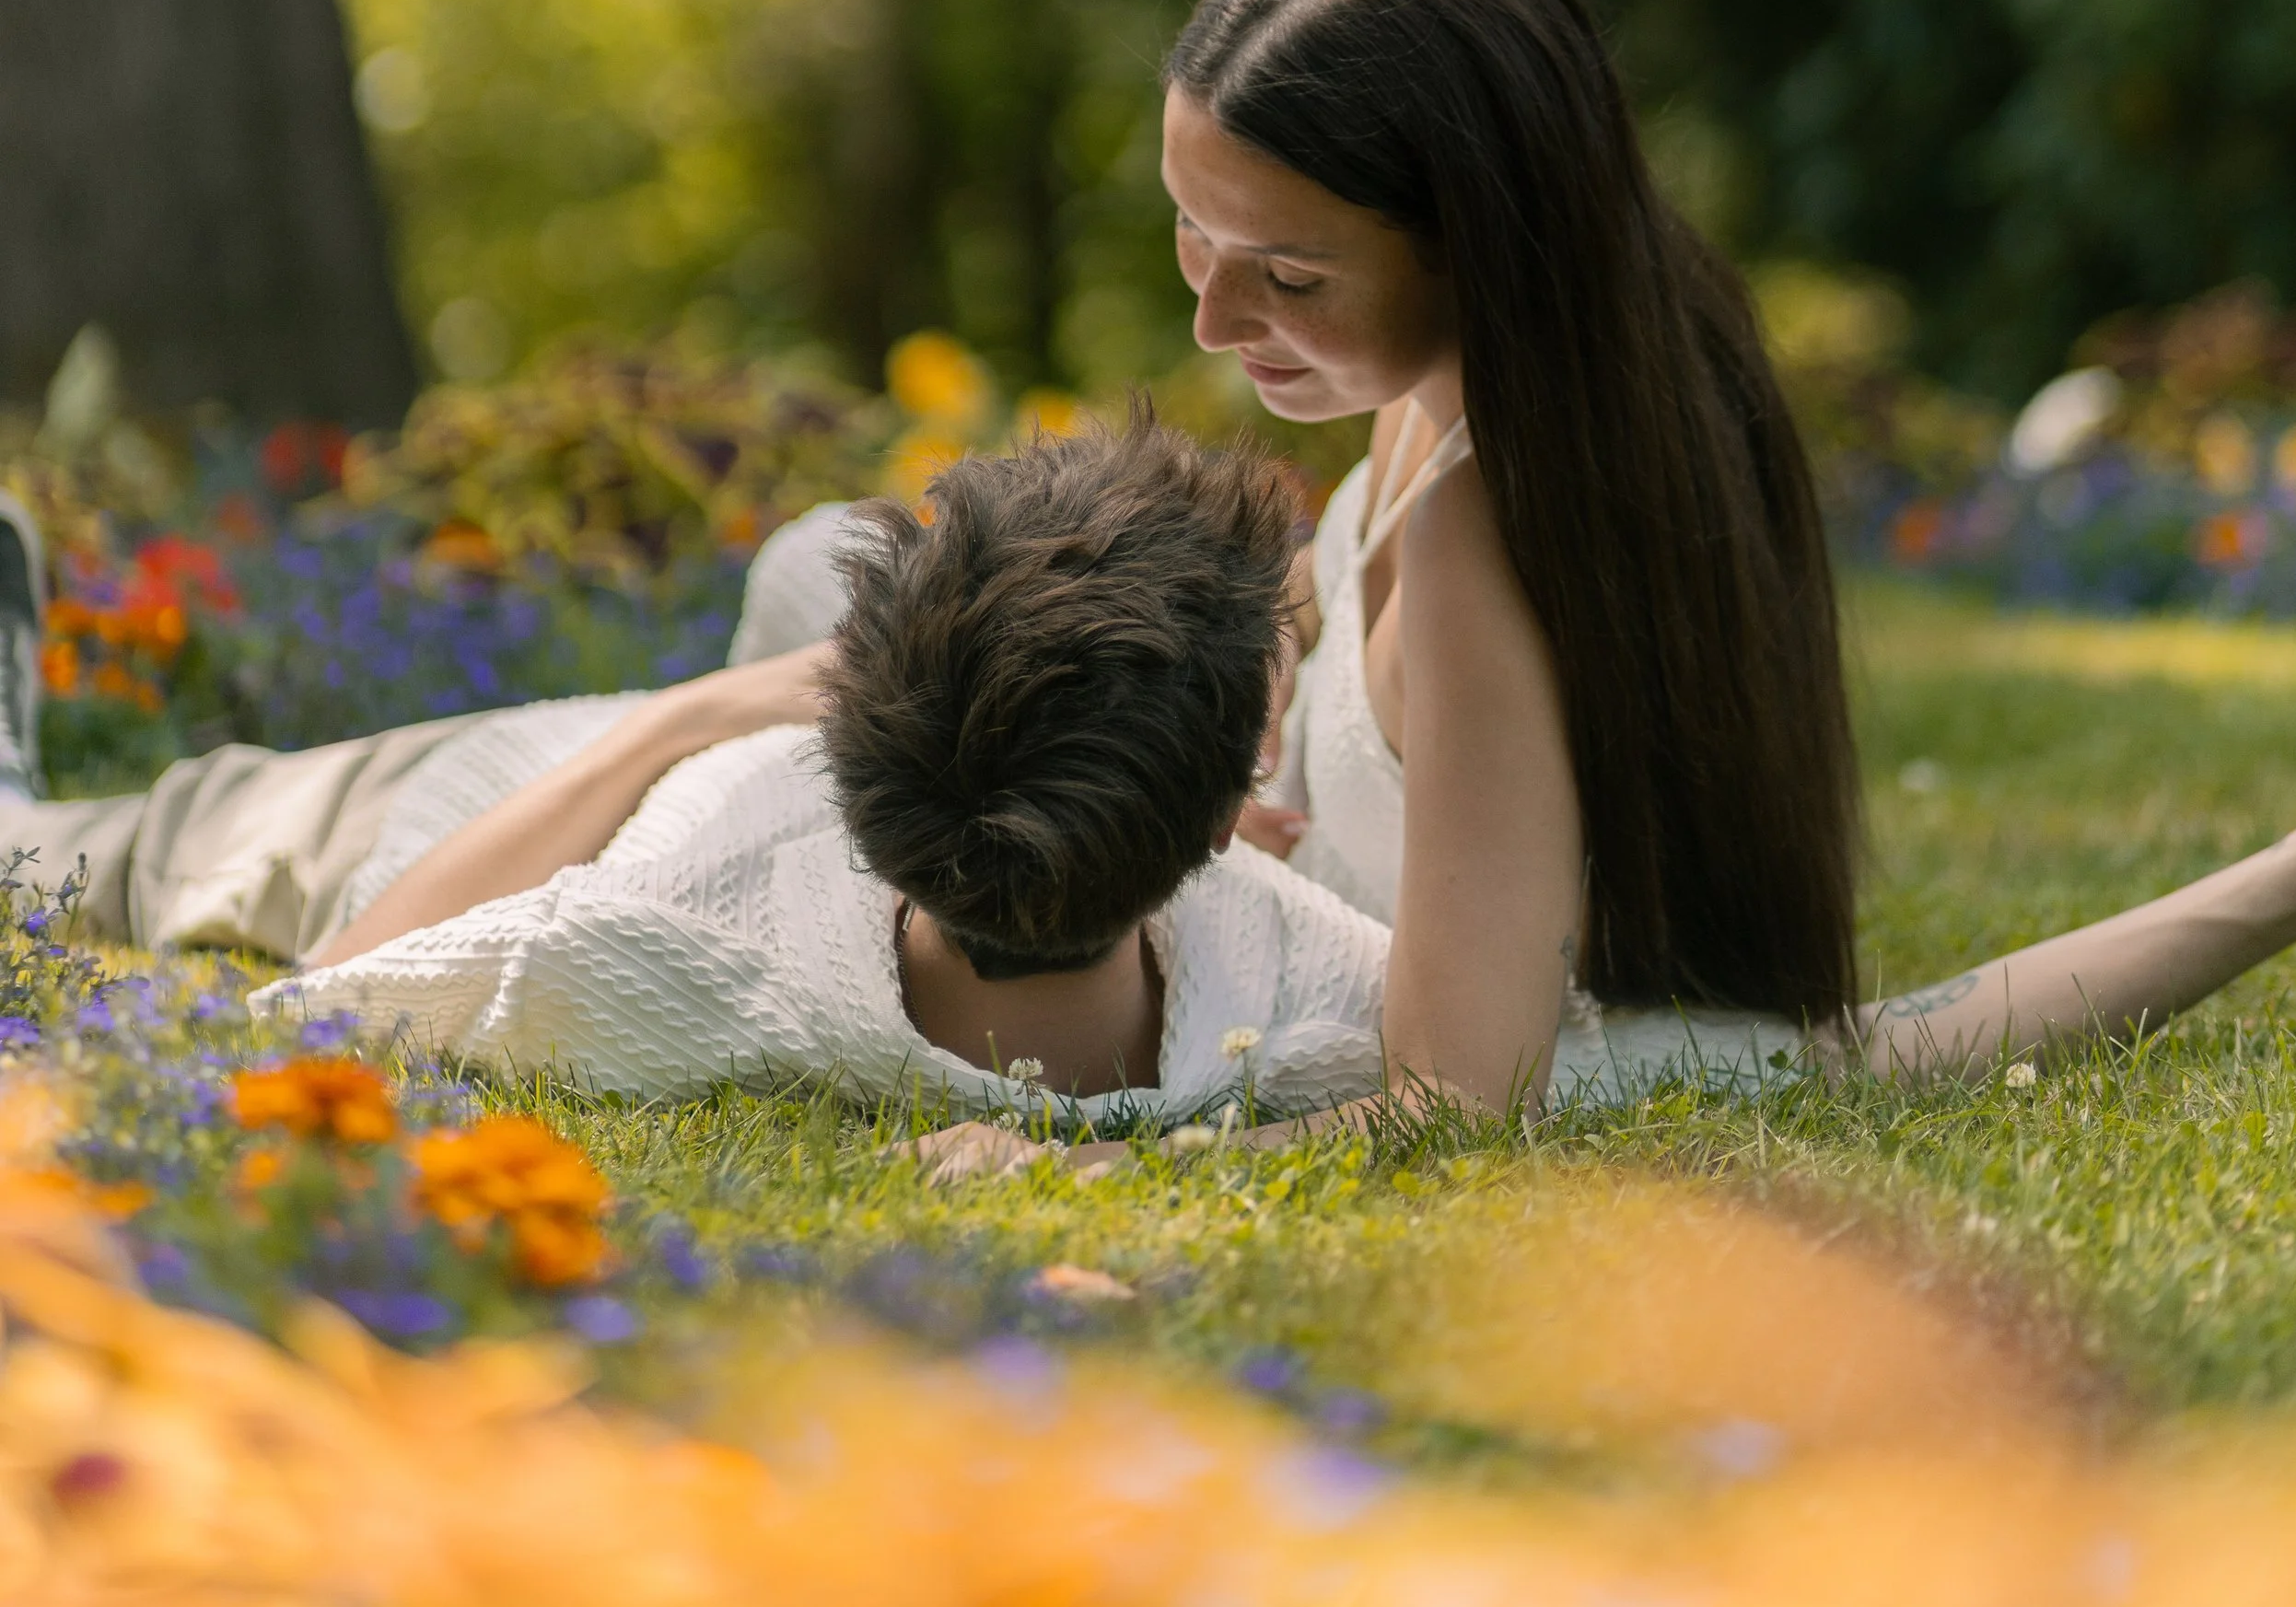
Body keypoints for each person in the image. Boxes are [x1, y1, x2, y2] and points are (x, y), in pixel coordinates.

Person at [1155, 0, 2296, 1110]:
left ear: (1470, 240)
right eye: (1194, 234)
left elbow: (1454, 1099)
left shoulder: (1479, 532)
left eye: (1287, 273)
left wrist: (1118, 1155)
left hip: (1592, 1046)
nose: (1215, 317)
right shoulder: (1501, 384)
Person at [0, 422, 1385, 1123]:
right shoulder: (1276, 982)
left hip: (499, 801)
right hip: (640, 777)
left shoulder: (652, 948)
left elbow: (336, 985)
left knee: (147, 835)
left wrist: (684, 718)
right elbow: (1546, 1049)